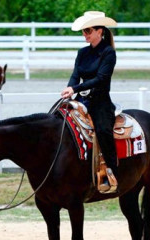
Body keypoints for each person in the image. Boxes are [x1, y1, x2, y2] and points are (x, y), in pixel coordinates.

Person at [61, 11, 118, 191]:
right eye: (84, 32)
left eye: (88, 31)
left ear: (100, 31)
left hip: (100, 101)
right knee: (60, 122)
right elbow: (75, 74)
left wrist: (75, 89)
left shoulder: (108, 53)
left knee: (103, 130)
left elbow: (101, 79)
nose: (85, 35)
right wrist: (69, 89)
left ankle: (111, 170)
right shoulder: (82, 52)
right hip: (81, 99)